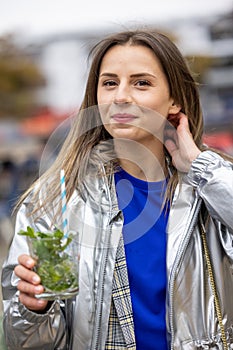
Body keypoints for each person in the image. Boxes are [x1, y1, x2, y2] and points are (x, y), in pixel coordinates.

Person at [1, 29, 233, 350]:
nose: (121, 96)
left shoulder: (210, 189)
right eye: (109, 83)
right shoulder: (54, 199)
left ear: (174, 100)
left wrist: (200, 166)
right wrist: (32, 309)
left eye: (141, 83)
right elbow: (24, 343)